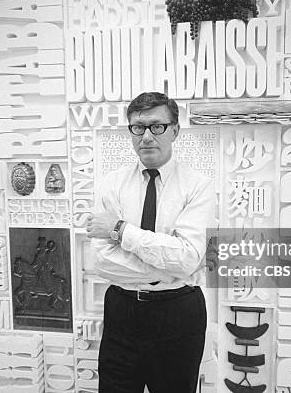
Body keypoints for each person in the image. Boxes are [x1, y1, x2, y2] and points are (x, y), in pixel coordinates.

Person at [86, 92, 215, 393]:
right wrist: (169, 264)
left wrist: (119, 230)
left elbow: (188, 258)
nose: (146, 136)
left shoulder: (199, 186)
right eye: (138, 127)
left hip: (178, 314)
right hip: (122, 310)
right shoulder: (111, 183)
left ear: (175, 130)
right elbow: (103, 261)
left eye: (157, 126)